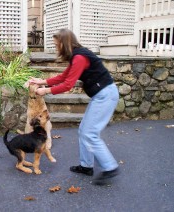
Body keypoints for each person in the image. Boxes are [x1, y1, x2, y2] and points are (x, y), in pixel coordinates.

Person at [28, 28, 119, 185]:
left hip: (106, 95)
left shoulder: (80, 57)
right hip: (101, 95)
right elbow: (64, 77)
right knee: (84, 130)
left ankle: (110, 167)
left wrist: (45, 91)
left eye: (58, 45)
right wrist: (41, 81)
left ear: (65, 43)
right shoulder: (77, 56)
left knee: (90, 133)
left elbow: (68, 84)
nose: (57, 48)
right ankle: (86, 166)